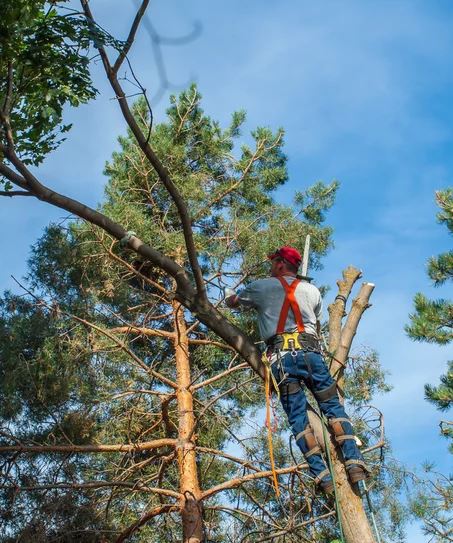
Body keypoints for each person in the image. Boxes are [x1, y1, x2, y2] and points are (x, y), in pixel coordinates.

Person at [225, 246, 367, 493]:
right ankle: (355, 464)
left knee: (298, 418)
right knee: (333, 407)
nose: (270, 267)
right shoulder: (312, 291)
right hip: (312, 355)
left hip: (282, 359)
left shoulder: (261, 287)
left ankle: (323, 477)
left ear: (280, 264)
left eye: (273, 263)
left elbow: (234, 303)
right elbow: (316, 322)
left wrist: (228, 293)